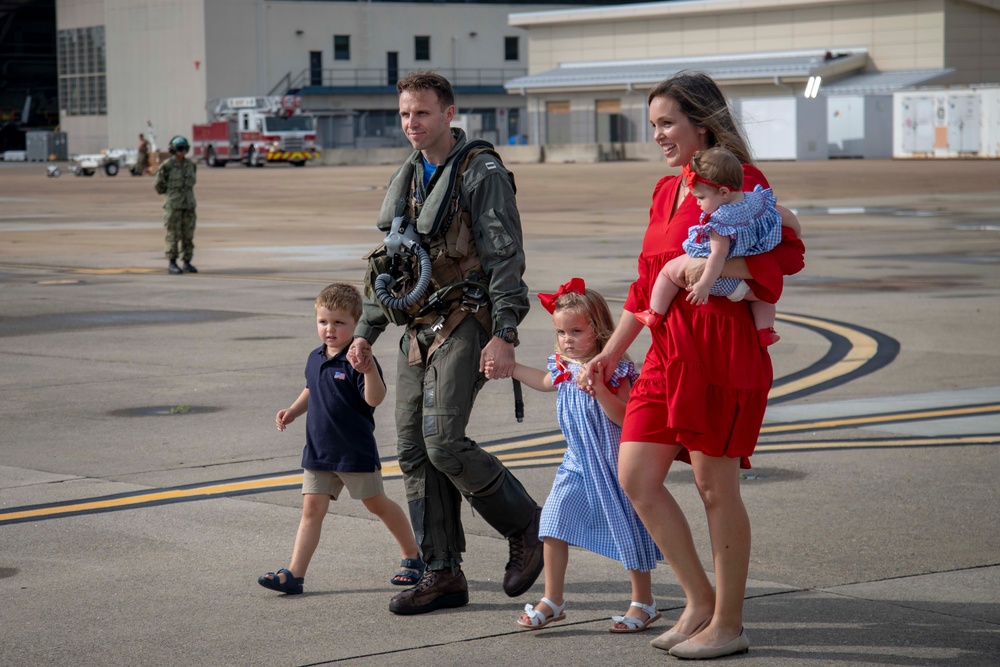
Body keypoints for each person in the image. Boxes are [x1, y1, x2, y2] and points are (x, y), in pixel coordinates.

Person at [585, 71, 805, 660]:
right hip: (667, 354)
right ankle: (700, 601)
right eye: (653, 124)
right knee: (635, 474)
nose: (658, 134)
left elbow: (788, 251)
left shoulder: (740, 179)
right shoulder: (666, 190)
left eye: (667, 123)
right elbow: (642, 284)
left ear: (701, 123)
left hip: (722, 351)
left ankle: (729, 624)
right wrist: (610, 351)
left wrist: (711, 275)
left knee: (715, 487)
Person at [347, 70, 543, 615]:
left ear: (449, 113)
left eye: (423, 113)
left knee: (443, 442)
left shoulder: (481, 174)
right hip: (419, 327)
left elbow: (506, 259)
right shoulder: (410, 178)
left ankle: (526, 525)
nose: (412, 123)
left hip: (469, 317)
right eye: (406, 113)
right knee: (413, 449)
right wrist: (365, 332)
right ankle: (442, 573)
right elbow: (392, 267)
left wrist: (505, 333)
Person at [490, 278, 663, 633]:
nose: (566, 339)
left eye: (576, 331)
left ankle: (643, 602)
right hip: (577, 463)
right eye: (560, 331)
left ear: (599, 331)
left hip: (614, 464)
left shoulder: (616, 371)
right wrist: (509, 368)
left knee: (626, 529)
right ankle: (553, 600)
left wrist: (599, 389)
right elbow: (543, 381)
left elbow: (626, 416)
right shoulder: (564, 366)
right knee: (552, 522)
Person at [259, 283, 422, 595]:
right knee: (311, 511)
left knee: (378, 506)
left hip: (353, 453)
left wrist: (369, 370)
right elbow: (312, 388)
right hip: (319, 452)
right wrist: (294, 410)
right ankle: (294, 574)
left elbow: (375, 399)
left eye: (339, 323)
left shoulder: (359, 359)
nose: (329, 329)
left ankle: (412, 557)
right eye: (323, 322)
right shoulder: (315, 357)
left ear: (356, 324)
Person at [634, 146, 799, 347]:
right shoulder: (758, 202)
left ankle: (654, 313)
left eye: (701, 198)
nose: (697, 203)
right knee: (763, 298)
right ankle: (765, 330)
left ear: (723, 192)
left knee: (668, 271)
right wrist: (796, 232)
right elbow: (787, 216)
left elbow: (717, 257)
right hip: (749, 283)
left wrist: (704, 285)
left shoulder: (720, 222)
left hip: (719, 282)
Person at [153, 135, 197, 275]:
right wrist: (171, 194)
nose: (182, 151)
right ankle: (172, 263)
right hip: (173, 206)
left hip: (188, 205)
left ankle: (187, 262)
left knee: (188, 235)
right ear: (173, 149)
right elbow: (158, 184)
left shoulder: (191, 165)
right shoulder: (167, 166)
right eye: (179, 148)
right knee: (173, 235)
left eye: (185, 148)